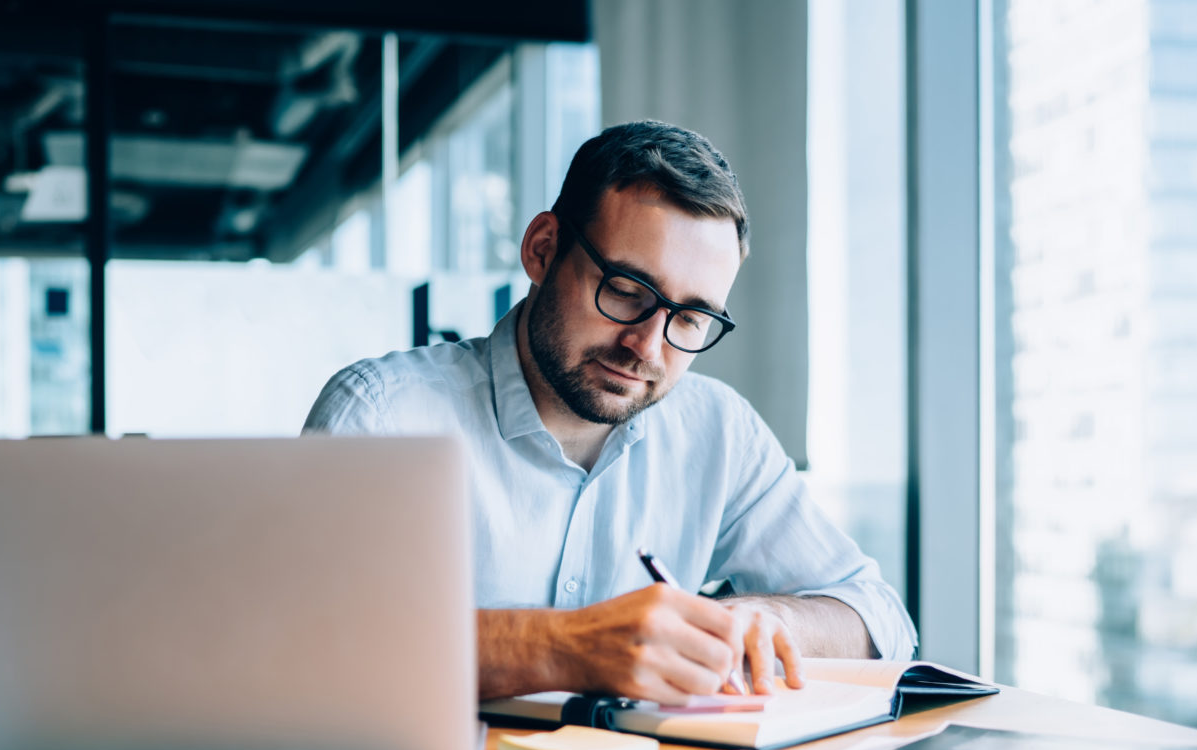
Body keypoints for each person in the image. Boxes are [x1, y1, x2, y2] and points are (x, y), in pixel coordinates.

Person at [305, 120, 916, 705]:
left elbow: (881, 618)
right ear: (543, 249)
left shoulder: (718, 430)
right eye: (625, 291)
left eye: (690, 319)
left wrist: (767, 618)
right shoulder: (382, 414)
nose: (647, 347)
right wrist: (568, 649)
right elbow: (302, 640)